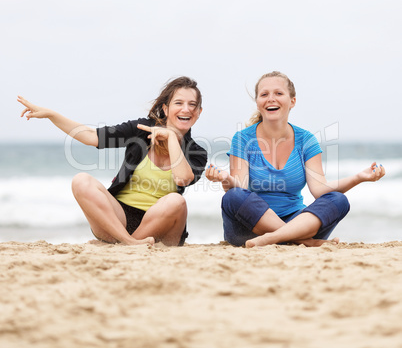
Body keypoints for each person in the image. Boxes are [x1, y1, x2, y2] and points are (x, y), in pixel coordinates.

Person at [18, 76, 207, 246]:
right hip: (118, 220)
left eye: (192, 105)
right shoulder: (142, 129)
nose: (186, 109)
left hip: (161, 225)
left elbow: (182, 179)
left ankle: (127, 245)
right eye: (179, 103)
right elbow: (92, 137)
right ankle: (129, 243)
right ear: (165, 108)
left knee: (176, 201)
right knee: (81, 180)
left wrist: (172, 139)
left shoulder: (197, 152)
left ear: (198, 112)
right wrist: (52, 115)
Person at [206, 71, 385, 248]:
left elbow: (320, 190)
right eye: (264, 94)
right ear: (258, 103)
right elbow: (241, 187)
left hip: (299, 221)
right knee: (233, 196)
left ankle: (274, 238)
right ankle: (301, 241)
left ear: (292, 101)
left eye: (278, 93)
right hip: (250, 228)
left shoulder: (306, 140)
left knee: (338, 200)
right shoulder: (243, 138)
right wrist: (225, 179)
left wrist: (359, 177)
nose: (271, 98)